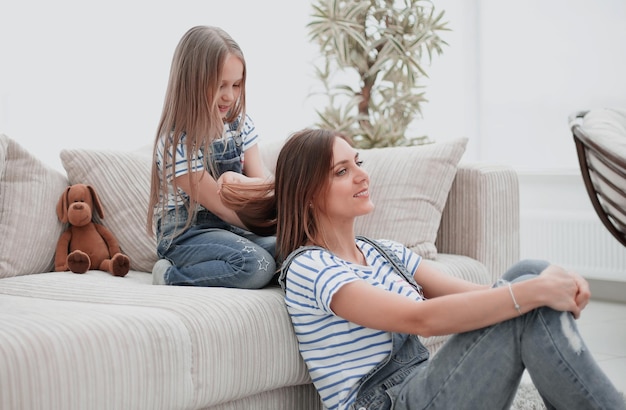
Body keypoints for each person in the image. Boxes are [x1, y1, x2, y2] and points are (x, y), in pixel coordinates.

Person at [235, 128, 624, 410]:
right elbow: (420, 319)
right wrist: (532, 292)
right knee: (527, 291)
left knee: (530, 271)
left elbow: (488, 295)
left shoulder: (382, 251)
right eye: (341, 171)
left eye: (359, 162)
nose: (362, 175)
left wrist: (546, 282)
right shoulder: (310, 267)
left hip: (423, 388)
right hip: (389, 404)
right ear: (307, 196)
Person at [146, 25, 276, 288]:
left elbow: (260, 186)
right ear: (191, 83)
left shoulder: (240, 125)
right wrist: (268, 228)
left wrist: (281, 220)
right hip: (188, 233)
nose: (229, 95)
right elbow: (223, 209)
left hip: (234, 229)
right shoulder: (175, 142)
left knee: (294, 249)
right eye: (220, 85)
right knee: (257, 265)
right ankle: (170, 276)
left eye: (236, 85)